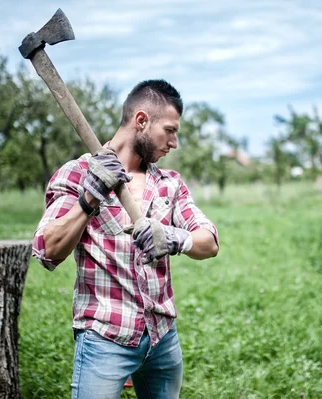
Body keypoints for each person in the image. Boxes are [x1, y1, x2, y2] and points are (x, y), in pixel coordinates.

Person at [32, 79, 219, 399]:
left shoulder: (169, 183)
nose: (174, 142)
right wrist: (89, 199)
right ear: (142, 120)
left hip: (162, 339)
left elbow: (209, 242)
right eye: (170, 130)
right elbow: (48, 251)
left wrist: (174, 238)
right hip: (104, 339)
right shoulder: (78, 174)